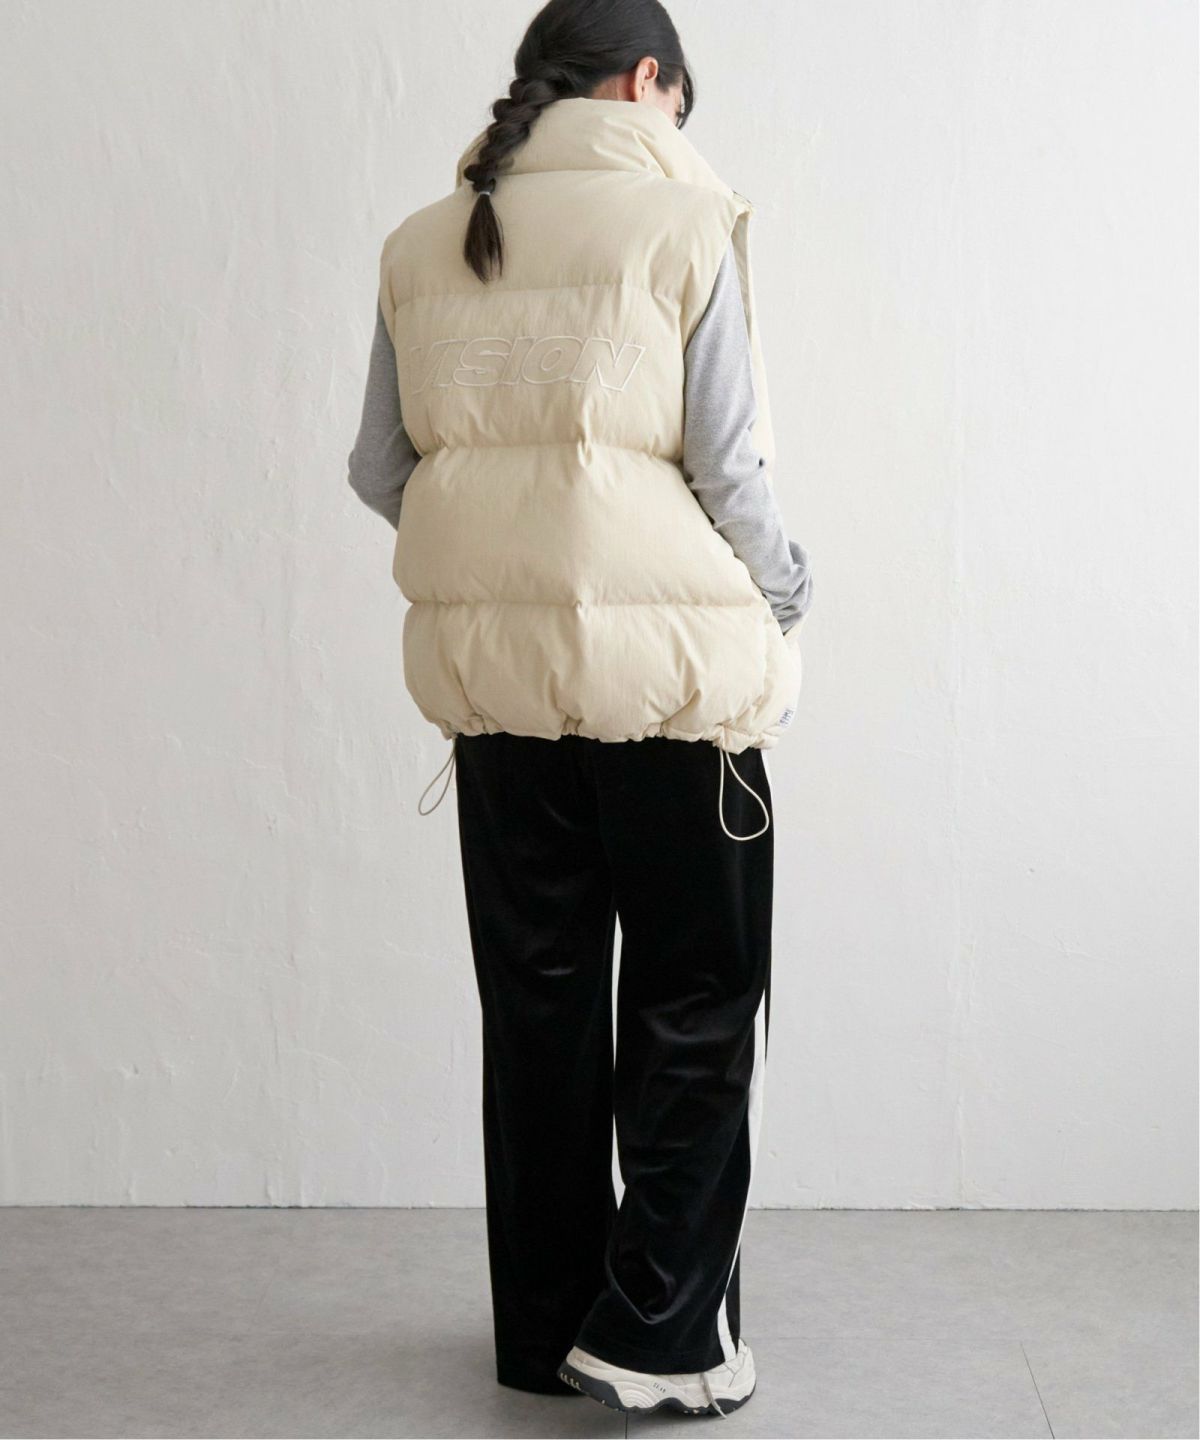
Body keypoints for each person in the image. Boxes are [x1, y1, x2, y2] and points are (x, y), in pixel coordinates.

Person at [346, 0, 813, 1418]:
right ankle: (660, 1336)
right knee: (696, 1004)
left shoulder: (424, 241)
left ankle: (549, 1331)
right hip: (674, 700)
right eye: (677, 102)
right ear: (647, 81)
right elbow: (727, 464)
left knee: (538, 1013)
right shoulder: (688, 223)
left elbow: (380, 469)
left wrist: (504, 563)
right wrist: (787, 589)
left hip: (501, 703)